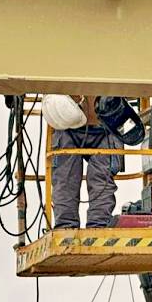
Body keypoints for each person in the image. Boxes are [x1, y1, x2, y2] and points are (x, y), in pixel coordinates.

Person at [51, 95, 124, 229]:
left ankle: (83, 227)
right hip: (72, 124)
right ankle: (79, 227)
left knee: (69, 179)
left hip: (104, 125)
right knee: (66, 179)